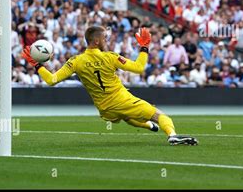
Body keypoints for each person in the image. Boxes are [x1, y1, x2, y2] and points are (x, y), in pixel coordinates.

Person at [21, 26, 198, 146]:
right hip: (121, 99)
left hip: (104, 109)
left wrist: (37, 65)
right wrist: (144, 47)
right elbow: (139, 67)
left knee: (127, 117)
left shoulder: (75, 61)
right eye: (105, 37)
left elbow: (51, 80)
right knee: (159, 115)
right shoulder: (111, 57)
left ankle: (149, 127)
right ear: (96, 41)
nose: (107, 39)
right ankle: (172, 136)